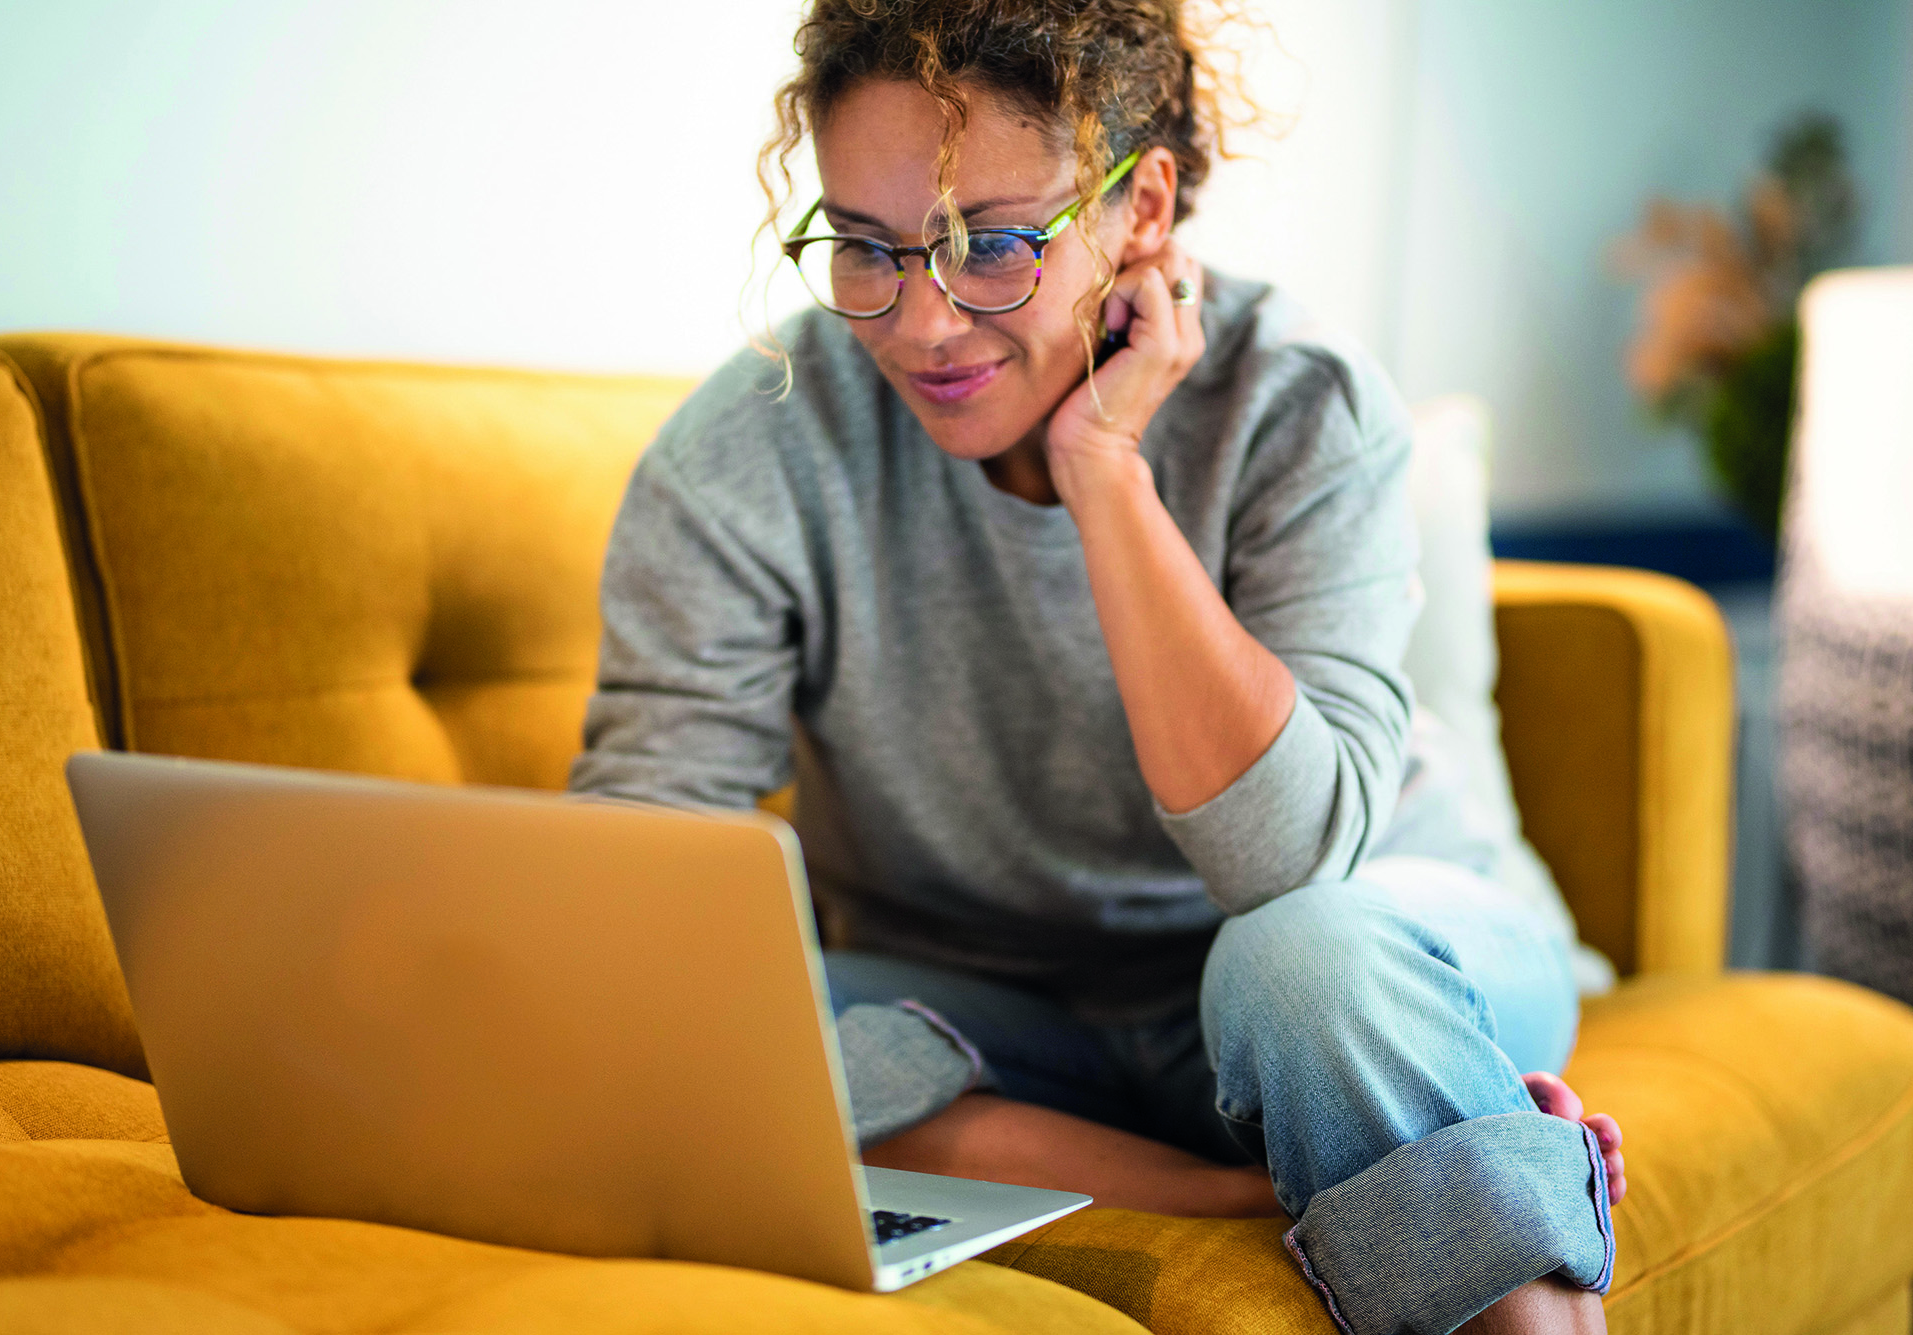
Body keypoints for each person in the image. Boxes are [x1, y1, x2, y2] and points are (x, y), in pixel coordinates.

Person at [571, 2, 1624, 1331]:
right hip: (989, 1023)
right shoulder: (747, 454)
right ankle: (1238, 1178)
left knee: (1305, 962)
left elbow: (1287, 864)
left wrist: (1105, 473)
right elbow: (634, 892)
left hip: (1350, 957)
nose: (921, 323)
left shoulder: (1300, 403)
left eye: (993, 244)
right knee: (663, 1022)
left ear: (1143, 210)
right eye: (866, 248)